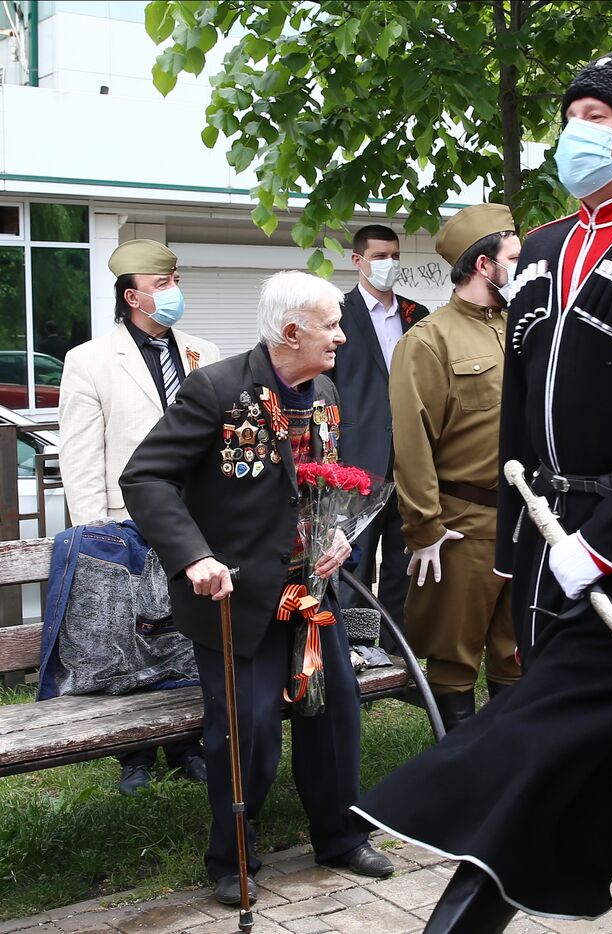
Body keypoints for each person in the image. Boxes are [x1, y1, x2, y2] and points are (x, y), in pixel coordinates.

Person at [352, 43, 612, 933]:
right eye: (570, 117)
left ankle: (464, 896)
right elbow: (519, 412)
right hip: (543, 533)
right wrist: (518, 545)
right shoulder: (538, 250)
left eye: (595, 118)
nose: (574, 133)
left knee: (553, 725)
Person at [120, 271, 393, 908]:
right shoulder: (216, 389)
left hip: (311, 593)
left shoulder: (324, 390)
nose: (342, 336)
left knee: (335, 714)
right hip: (237, 601)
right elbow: (146, 477)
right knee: (250, 730)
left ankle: (341, 837)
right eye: (331, 325)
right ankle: (233, 856)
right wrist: (194, 557)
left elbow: (322, 481)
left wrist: (337, 534)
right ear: (291, 331)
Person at [59, 239, 218, 795]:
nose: (174, 292)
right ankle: (135, 754)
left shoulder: (203, 352)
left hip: (195, 520)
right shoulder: (90, 360)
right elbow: (81, 453)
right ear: (133, 297)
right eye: (162, 285)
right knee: (131, 637)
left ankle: (188, 742)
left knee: (185, 632)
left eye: (175, 281)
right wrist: (94, 531)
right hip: (123, 523)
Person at [388, 203, 523, 730]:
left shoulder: (524, 326)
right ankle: (458, 762)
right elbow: (412, 442)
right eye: (514, 258)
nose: (523, 267)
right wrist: (425, 528)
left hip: (526, 519)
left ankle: (513, 760)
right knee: (454, 656)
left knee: (517, 649)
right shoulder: (428, 340)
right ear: (485, 265)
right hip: (464, 523)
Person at [331, 224, 428, 633]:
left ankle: (393, 644)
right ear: (358, 261)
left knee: (403, 560)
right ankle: (355, 645)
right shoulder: (337, 314)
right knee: (355, 558)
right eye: (380, 257)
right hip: (357, 458)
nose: (389, 264)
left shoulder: (417, 315)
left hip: (410, 457)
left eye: (395, 256)